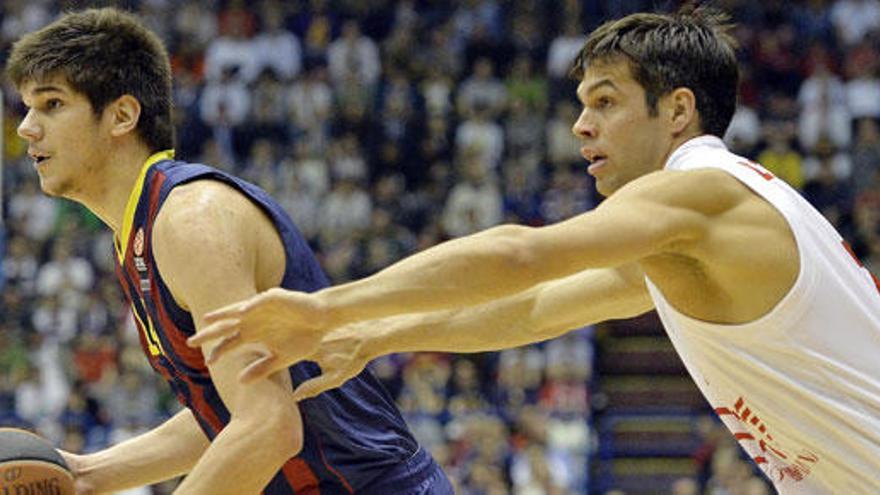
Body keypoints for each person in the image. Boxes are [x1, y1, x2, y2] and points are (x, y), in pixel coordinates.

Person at [190, 8, 880, 493]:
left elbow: (522, 257)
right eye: (581, 104)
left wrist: (324, 308)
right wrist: (377, 334)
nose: (581, 126)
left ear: (677, 110)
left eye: (606, 101)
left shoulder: (702, 189)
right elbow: (535, 308)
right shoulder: (694, 235)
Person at [8, 8, 452, 495]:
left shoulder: (189, 220)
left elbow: (268, 426)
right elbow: (228, 408)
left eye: (52, 104)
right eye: (27, 107)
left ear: (121, 116)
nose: (27, 127)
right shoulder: (138, 231)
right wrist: (90, 475)